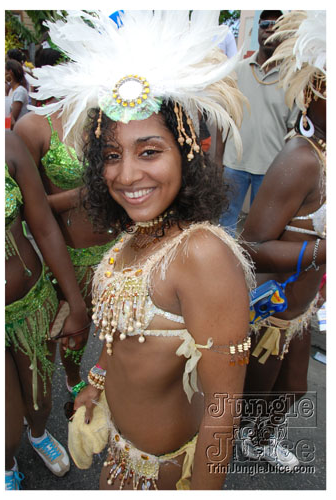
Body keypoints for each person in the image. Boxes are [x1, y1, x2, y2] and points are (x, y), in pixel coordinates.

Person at [28, 10, 255, 490]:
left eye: (149, 151)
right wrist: (97, 382)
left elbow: (222, 411)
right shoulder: (138, 233)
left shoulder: (202, 256)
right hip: (122, 454)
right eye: (112, 154)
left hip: (167, 474)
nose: (126, 175)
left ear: (186, 152)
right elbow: (124, 333)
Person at [238, 10, 326, 470]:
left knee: (293, 389)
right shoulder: (301, 158)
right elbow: (248, 247)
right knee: (250, 392)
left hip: (300, 308)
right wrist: (321, 250)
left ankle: (255, 440)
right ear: (315, 91)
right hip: (270, 310)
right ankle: (217, 449)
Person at [15, 48, 118, 399]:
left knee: (121, 324)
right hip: (71, 254)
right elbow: (26, 208)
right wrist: (81, 195)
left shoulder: (109, 115)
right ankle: (75, 382)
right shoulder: (33, 126)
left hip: (119, 247)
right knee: (75, 330)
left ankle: (113, 382)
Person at [5, 130, 89, 489]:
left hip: (30, 305)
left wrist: (75, 301)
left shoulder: (7, 144)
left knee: (40, 401)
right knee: (5, 423)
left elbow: (43, 226)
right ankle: (7, 465)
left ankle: (38, 435)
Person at [218, 10, 299, 236]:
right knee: (224, 224)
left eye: (276, 25)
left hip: (271, 168)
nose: (270, 29)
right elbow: (224, 117)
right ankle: (222, 266)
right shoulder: (237, 70)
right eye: (265, 23)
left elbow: (294, 131)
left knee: (260, 228)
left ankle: (250, 269)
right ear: (257, 31)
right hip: (234, 164)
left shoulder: (292, 77)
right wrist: (218, 158)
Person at [5, 59, 30, 128]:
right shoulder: (11, 90)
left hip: (18, 130)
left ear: (10, 72)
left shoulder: (19, 91)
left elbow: (12, 118)